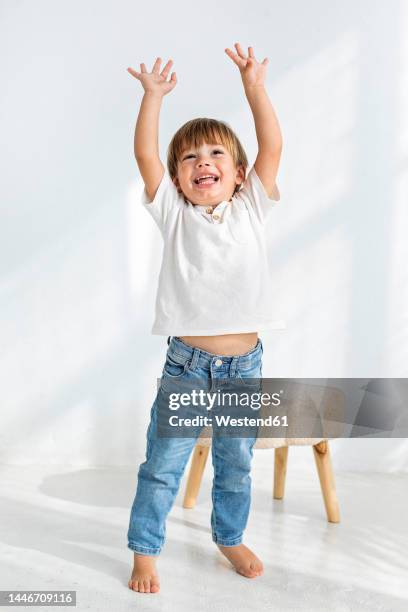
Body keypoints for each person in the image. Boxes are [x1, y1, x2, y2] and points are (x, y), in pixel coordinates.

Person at [126, 42, 283, 594]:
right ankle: (146, 551)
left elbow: (272, 146)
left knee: (236, 464)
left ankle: (229, 535)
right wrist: (153, 98)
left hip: (246, 366)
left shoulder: (251, 207)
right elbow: (146, 157)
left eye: (215, 155)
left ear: (239, 175)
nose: (203, 164)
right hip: (187, 367)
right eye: (190, 158)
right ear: (176, 178)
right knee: (162, 465)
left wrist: (254, 90)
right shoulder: (173, 213)